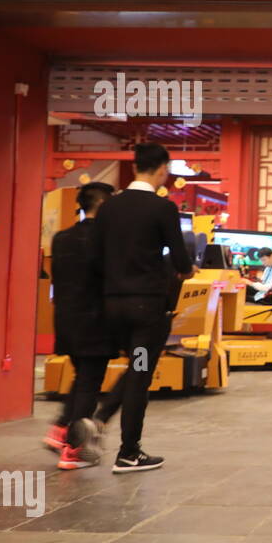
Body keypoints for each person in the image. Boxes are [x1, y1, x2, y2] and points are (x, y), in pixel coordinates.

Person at [91, 143, 194, 473]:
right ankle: (128, 452)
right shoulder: (161, 208)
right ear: (162, 168)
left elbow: (94, 258)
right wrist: (186, 268)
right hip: (146, 309)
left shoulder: (108, 208)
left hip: (112, 306)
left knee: (135, 368)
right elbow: (181, 261)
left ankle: (101, 416)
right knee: (140, 375)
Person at [45, 182, 122, 469]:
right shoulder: (106, 241)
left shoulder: (61, 238)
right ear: (102, 205)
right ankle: (74, 450)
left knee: (82, 377)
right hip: (95, 321)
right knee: (90, 383)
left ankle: (60, 430)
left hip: (66, 320)